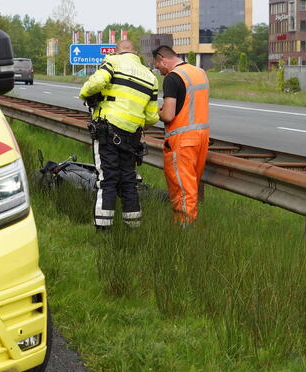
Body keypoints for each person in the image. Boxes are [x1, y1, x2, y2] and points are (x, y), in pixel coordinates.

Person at [79, 40, 159, 230]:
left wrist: (84, 94)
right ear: (135, 53)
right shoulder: (151, 77)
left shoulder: (113, 62)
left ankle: (103, 228)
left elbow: (97, 82)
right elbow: (152, 117)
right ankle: (133, 227)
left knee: (107, 178)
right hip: (132, 135)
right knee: (129, 180)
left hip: (108, 129)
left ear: (117, 52)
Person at [152, 45, 210, 224]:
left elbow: (168, 115)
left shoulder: (172, 78)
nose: (159, 71)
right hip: (201, 138)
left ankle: (184, 230)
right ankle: (186, 225)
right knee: (191, 187)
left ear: (163, 59)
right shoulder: (199, 72)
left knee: (183, 191)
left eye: (158, 66)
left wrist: (157, 112)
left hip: (182, 140)